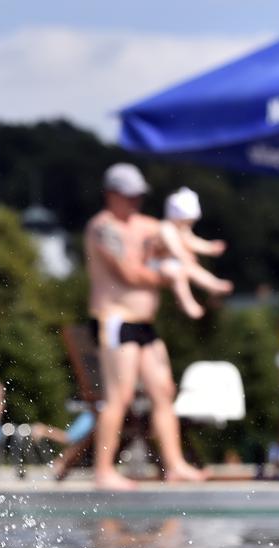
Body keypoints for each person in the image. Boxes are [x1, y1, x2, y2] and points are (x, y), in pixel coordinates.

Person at [85, 163, 209, 490]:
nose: (135, 202)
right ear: (111, 195)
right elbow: (129, 274)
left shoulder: (147, 225)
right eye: (129, 196)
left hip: (145, 326)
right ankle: (104, 471)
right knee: (120, 395)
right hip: (116, 320)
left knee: (163, 390)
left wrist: (186, 244)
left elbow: (176, 242)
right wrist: (168, 275)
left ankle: (174, 464)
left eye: (139, 196)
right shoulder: (103, 228)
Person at [150, 187, 233, 319]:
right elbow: (174, 246)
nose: (188, 225)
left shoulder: (182, 229)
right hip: (156, 264)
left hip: (174, 263)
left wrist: (210, 248)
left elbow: (193, 242)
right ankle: (186, 303)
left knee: (191, 268)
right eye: (186, 222)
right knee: (178, 273)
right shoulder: (166, 228)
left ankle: (213, 284)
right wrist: (184, 256)